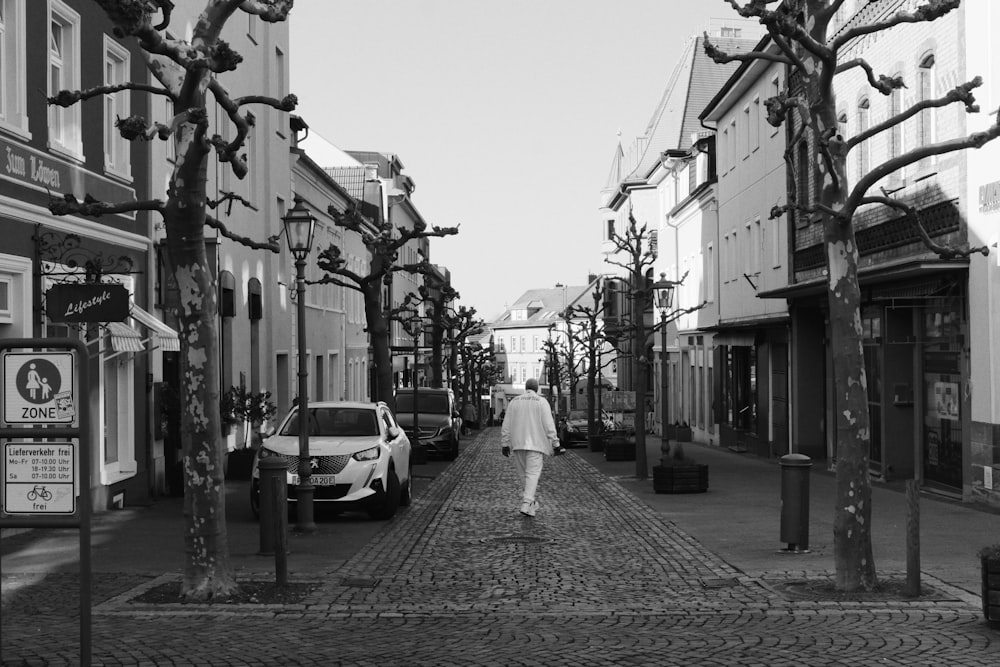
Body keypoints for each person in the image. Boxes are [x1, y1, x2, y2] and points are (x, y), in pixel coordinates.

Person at [500, 378, 560, 517]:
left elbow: (506, 424)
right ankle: (526, 503)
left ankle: (531, 505)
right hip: (536, 444)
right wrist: (555, 443)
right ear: (537, 388)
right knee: (532, 474)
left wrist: (505, 443)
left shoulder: (514, 402)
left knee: (523, 475)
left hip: (518, 443)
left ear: (525, 388)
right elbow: (549, 425)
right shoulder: (541, 402)